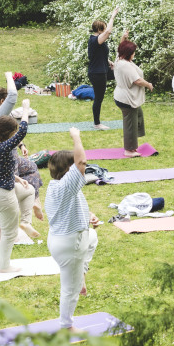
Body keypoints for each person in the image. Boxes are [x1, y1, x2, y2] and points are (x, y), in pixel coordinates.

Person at [44, 127, 99, 331]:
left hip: (60, 238)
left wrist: (88, 215)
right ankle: (66, 326)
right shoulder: (67, 185)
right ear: (69, 172)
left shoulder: (55, 185)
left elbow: (70, 206)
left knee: (92, 237)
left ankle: (81, 274)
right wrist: (76, 137)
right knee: (70, 289)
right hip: (70, 245)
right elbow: (81, 162)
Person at [0, 101, 38, 273]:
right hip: (2, 195)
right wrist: (25, 109)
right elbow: (22, 130)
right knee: (9, 234)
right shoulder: (4, 146)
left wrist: (17, 178)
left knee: (29, 190)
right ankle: (4, 266)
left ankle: (25, 222)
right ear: (9, 134)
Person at [113, 31, 154, 157]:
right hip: (126, 99)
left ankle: (133, 142)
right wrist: (148, 84)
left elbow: (120, 48)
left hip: (123, 96)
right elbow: (137, 80)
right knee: (130, 123)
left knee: (138, 116)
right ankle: (129, 150)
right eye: (133, 52)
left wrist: (123, 38)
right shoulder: (125, 66)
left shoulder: (120, 59)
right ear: (128, 54)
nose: (134, 54)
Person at [87, 7, 119, 129]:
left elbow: (98, 55)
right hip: (97, 73)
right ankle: (97, 124)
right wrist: (112, 17)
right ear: (100, 30)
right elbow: (109, 32)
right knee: (99, 98)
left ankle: (126, 98)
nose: (106, 30)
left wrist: (110, 62)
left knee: (121, 73)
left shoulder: (97, 41)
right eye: (104, 29)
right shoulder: (95, 40)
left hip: (103, 69)